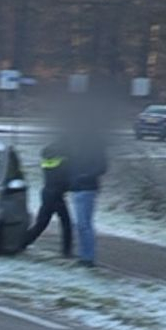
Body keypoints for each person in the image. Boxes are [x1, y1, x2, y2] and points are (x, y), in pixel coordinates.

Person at [64, 113, 108, 268]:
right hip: (77, 187)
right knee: (81, 224)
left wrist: (84, 176)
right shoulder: (76, 145)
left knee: (84, 224)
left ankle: (88, 257)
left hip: (87, 187)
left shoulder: (95, 145)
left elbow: (102, 167)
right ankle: (85, 255)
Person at [23, 139, 73, 257]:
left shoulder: (48, 159)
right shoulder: (64, 161)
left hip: (47, 192)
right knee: (66, 223)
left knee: (41, 223)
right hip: (56, 194)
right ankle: (67, 252)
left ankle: (23, 242)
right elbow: (66, 179)